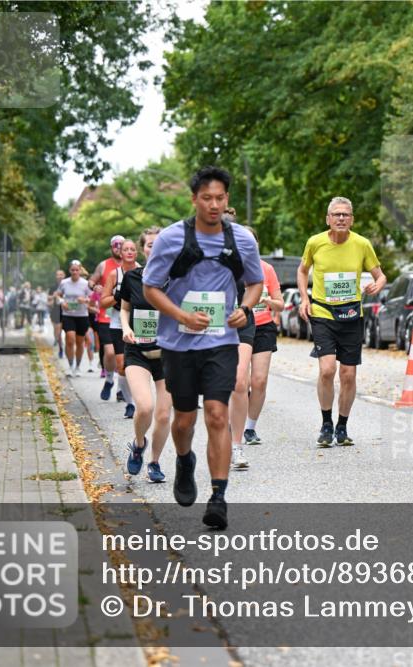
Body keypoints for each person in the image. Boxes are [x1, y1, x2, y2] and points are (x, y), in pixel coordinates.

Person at [142, 166, 264, 530]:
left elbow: (255, 283)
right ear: (194, 199)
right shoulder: (171, 238)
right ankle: (183, 460)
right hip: (179, 343)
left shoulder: (241, 239)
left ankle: (218, 497)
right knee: (183, 420)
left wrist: (244, 309)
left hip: (221, 341)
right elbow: (151, 287)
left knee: (216, 414)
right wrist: (181, 314)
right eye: (206, 198)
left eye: (220, 198)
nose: (213, 205)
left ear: (227, 199)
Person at [298, 196, 386, 448]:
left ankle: (342, 426)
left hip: (351, 316)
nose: (340, 218)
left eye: (345, 215)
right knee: (327, 369)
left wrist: (376, 285)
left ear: (352, 219)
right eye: (336, 214)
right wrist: (305, 298)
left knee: (348, 374)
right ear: (328, 219)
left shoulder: (362, 244)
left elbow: (381, 276)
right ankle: (326, 423)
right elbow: (303, 271)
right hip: (323, 312)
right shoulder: (315, 242)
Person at [227, 221, 284, 469]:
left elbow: (280, 303)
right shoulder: (228, 266)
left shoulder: (265, 269)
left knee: (257, 381)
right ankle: (233, 428)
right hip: (234, 324)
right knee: (241, 381)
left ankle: (247, 429)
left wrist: (264, 299)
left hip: (260, 326)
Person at [120, 228, 172, 483]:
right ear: (144, 249)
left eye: (159, 244)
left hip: (167, 354)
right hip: (137, 352)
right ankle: (139, 444)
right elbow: (124, 309)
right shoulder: (132, 278)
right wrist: (127, 328)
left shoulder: (175, 279)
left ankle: (154, 462)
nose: (154, 248)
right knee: (145, 407)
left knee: (163, 415)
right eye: (150, 244)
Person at [103, 239, 140, 419]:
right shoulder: (114, 275)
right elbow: (103, 302)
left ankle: (140, 398)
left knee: (136, 365)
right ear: (121, 253)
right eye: (126, 249)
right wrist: (117, 297)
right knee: (122, 366)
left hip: (138, 323)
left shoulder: (143, 271)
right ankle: (130, 403)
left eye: (133, 249)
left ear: (137, 253)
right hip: (118, 323)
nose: (129, 252)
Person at [88, 236, 126, 401]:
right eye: (115, 245)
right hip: (106, 316)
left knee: (123, 356)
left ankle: (121, 389)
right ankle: (110, 379)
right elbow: (91, 280)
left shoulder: (132, 265)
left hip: (125, 315)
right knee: (110, 353)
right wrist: (94, 286)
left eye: (121, 245)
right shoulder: (104, 265)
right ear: (111, 247)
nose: (118, 248)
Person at [56, 259, 92, 376]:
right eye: (73, 270)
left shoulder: (85, 284)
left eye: (77, 270)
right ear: (69, 270)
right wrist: (62, 302)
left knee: (80, 342)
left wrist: (85, 300)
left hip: (82, 315)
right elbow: (57, 295)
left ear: (80, 270)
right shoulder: (64, 283)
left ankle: (77, 366)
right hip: (68, 315)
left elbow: (93, 299)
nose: (75, 272)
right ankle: (70, 365)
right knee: (70, 339)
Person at [48, 270, 65, 357]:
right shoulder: (53, 287)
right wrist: (53, 296)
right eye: (58, 275)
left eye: (61, 274)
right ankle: (60, 346)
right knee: (57, 330)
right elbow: (49, 299)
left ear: (64, 275)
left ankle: (61, 344)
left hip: (67, 310)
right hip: (56, 310)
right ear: (56, 276)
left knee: (64, 331)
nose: (59, 276)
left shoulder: (68, 285)